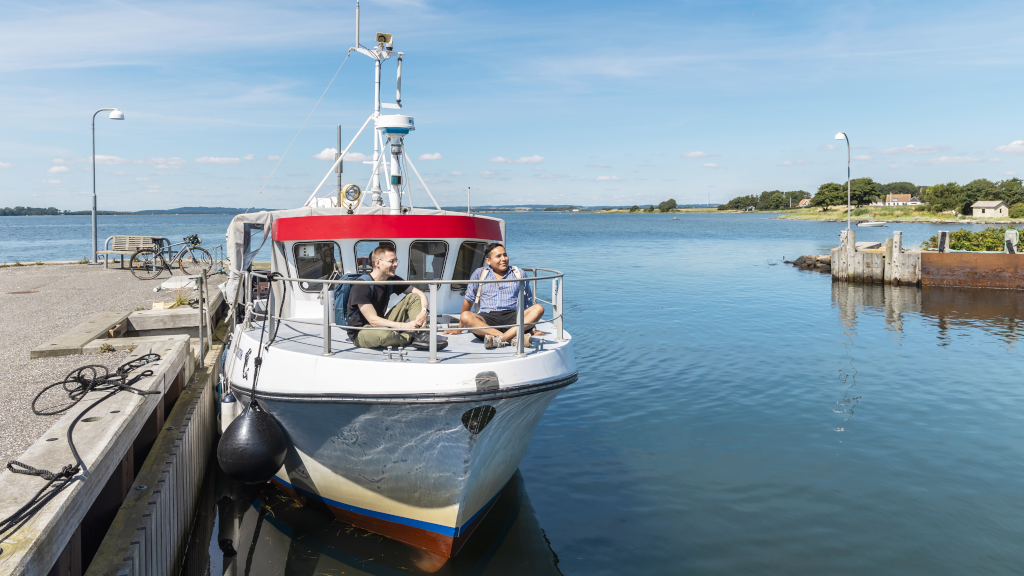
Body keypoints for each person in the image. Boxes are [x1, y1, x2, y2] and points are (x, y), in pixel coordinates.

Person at [346, 245, 447, 350]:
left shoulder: (391, 279)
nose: (395, 265)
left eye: (396, 261)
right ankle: (411, 337)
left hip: (381, 325)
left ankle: (422, 334)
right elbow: (373, 321)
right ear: (378, 263)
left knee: (413, 297)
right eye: (391, 261)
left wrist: (424, 311)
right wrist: (404, 326)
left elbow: (420, 294)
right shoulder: (362, 286)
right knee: (384, 335)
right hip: (361, 332)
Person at [455, 242, 544, 349]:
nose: (504, 259)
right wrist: (459, 329)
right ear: (488, 261)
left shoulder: (519, 274)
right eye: (498, 256)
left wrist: (532, 328)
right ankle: (511, 338)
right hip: (487, 321)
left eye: (505, 255)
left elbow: (527, 302)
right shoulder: (479, 274)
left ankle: (500, 339)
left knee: (539, 308)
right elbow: (468, 301)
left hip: (513, 318)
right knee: (465, 315)